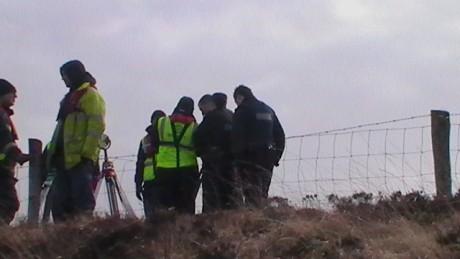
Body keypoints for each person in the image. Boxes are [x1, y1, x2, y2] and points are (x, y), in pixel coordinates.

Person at [48, 60, 106, 222]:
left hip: (79, 158)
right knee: (60, 203)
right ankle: (62, 237)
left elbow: (96, 127)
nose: (63, 80)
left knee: (82, 201)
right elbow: (61, 130)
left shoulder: (91, 96)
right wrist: (51, 153)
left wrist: (87, 155)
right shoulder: (70, 98)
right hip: (64, 158)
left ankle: (82, 232)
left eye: (65, 76)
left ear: (73, 74)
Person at [232, 85, 285, 207]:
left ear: (240, 97)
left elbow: (237, 138)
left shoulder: (242, 111)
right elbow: (280, 135)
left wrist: (238, 161)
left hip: (249, 158)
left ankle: (254, 220)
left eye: (236, 101)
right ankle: (262, 218)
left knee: (251, 193)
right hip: (268, 156)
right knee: (263, 193)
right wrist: (276, 157)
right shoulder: (268, 110)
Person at [153, 97, 199, 214]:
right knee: (186, 206)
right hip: (187, 169)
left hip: (164, 169)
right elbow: (199, 147)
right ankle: (185, 230)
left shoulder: (161, 122)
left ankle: (166, 230)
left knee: (164, 206)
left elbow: (154, 143)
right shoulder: (194, 126)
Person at [193, 94, 237, 213]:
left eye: (202, 109)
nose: (202, 113)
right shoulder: (231, 115)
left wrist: (201, 153)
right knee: (231, 197)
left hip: (213, 164)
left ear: (209, 104)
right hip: (232, 163)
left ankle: (211, 225)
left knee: (212, 199)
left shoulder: (210, 119)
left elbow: (197, 139)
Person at [0, 79, 29, 225]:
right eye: (12, 93)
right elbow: (5, 139)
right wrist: (18, 156)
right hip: (2, 170)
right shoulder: (1, 115)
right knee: (9, 203)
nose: (15, 97)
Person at [135, 110, 166, 223]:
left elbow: (139, 164)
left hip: (155, 182)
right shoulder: (166, 137)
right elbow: (140, 163)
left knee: (153, 220)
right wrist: (138, 184)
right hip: (157, 182)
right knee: (163, 219)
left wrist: (138, 184)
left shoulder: (146, 140)